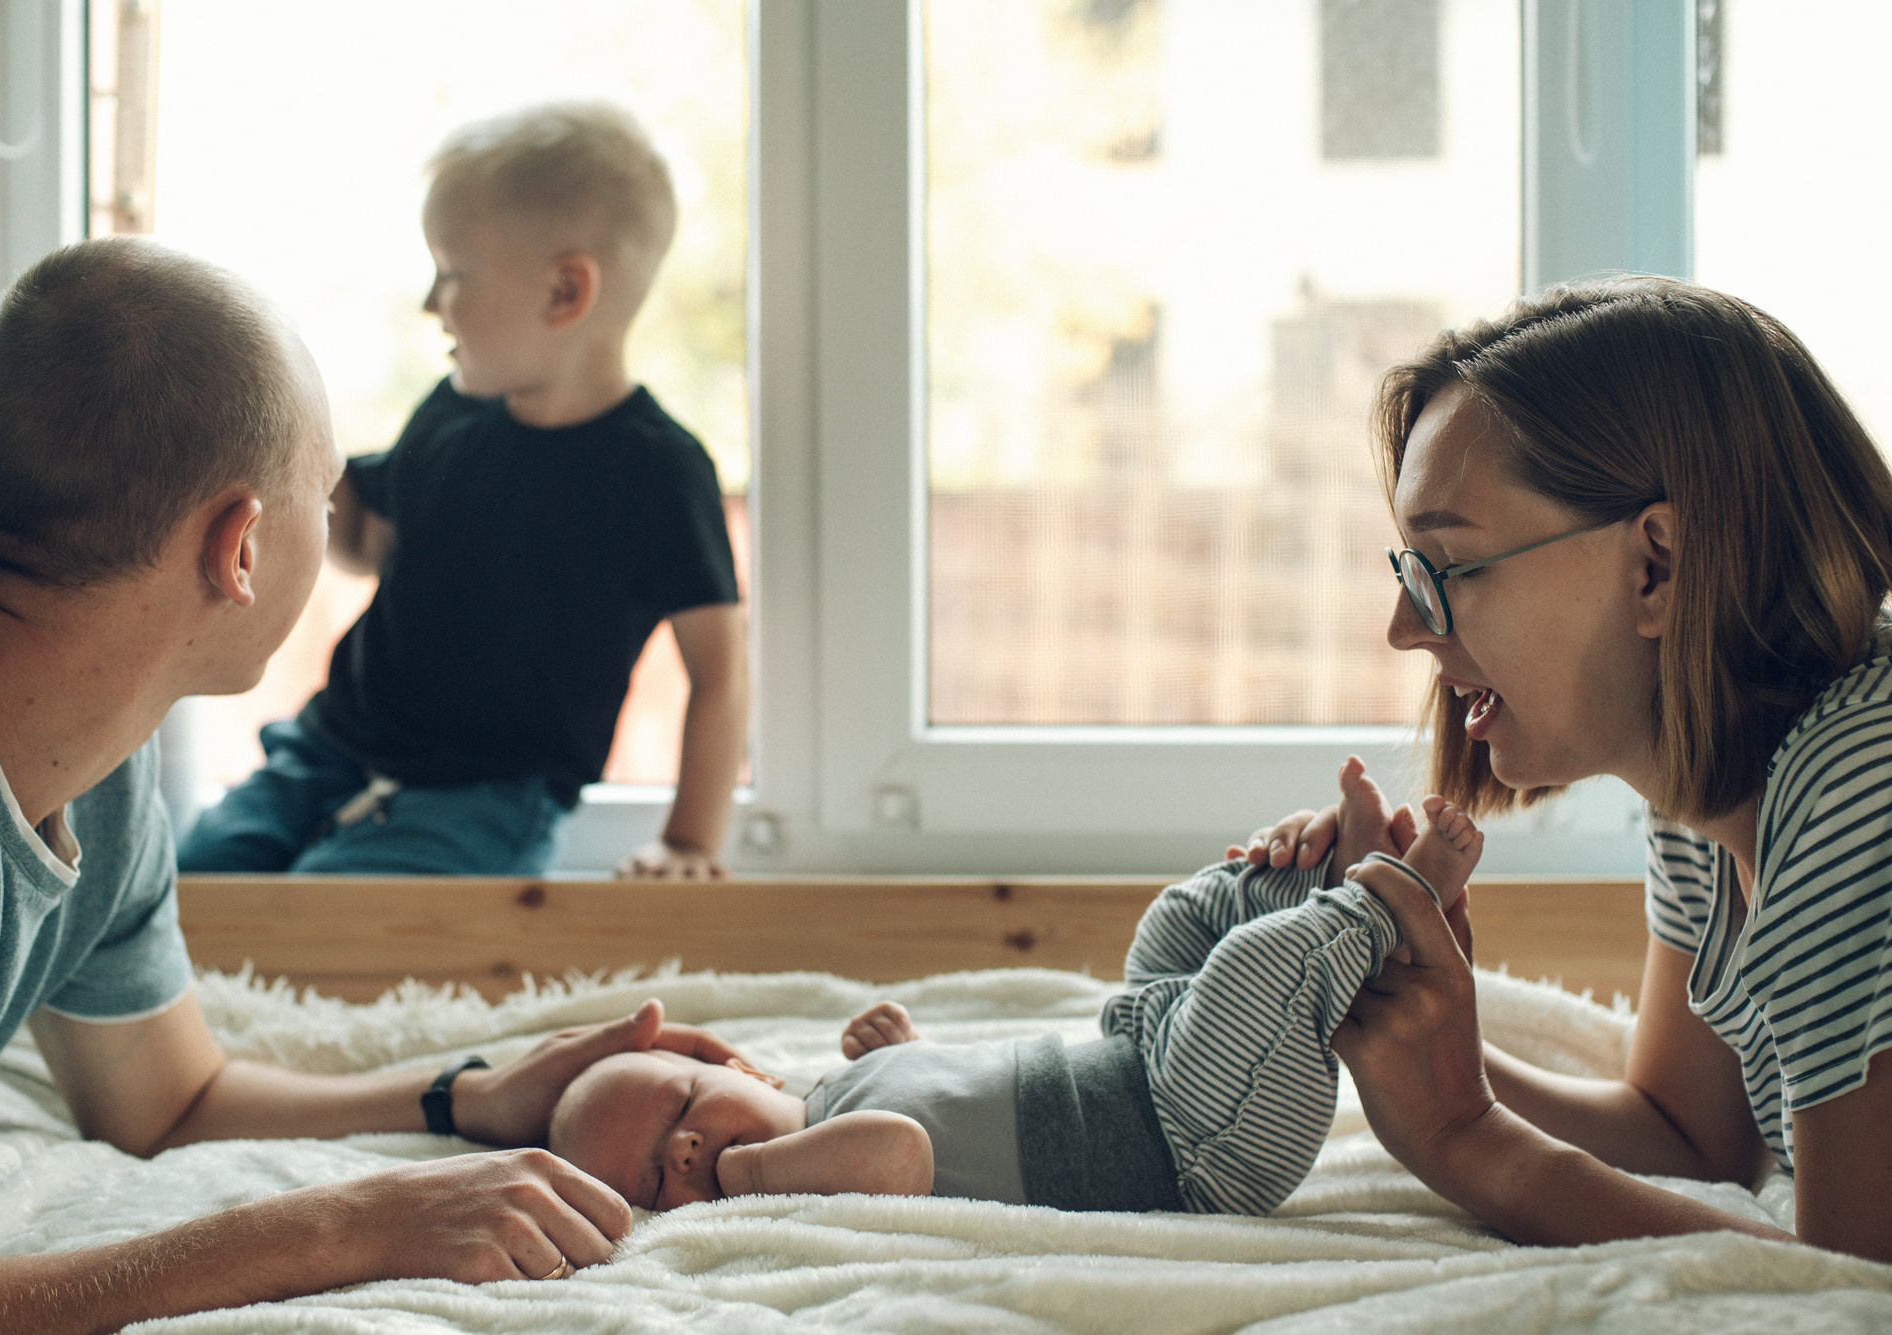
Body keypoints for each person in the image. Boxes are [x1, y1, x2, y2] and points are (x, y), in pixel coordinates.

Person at [0, 235, 745, 1333]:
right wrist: (339, 1231)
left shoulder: (85, 747)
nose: (336, 518)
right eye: (326, 491)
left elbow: (163, 1100)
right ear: (238, 548)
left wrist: (464, 1096)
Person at [1245, 276, 1892, 1263]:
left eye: (1447, 568)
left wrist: (1462, 1141)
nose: (1402, 628)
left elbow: (1851, 1278)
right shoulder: (1707, 788)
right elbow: (1687, 1136)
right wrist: (1407, 1001)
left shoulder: (1857, 790)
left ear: (1656, 565)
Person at [178, 101, 747, 879]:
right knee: (196, 879)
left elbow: (718, 672)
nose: (429, 303)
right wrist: (277, 462)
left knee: (325, 913)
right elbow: (366, 540)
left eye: (451, 273)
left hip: (485, 799)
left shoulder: (660, 470)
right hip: (330, 751)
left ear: (564, 292)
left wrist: (689, 842)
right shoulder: (449, 411)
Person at [546, 777, 1484, 1215]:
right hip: (1197, 1146)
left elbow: (940, 1095)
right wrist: (750, 1175)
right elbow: (903, 1151)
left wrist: (903, 1044)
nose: (688, 1151)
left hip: (1140, 1054)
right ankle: (1388, 901)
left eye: (681, 1108)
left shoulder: (829, 1093)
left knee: (1174, 924)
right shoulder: (799, 1171)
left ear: (739, 1066)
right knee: (1247, 979)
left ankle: (1311, 888)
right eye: (649, 1180)